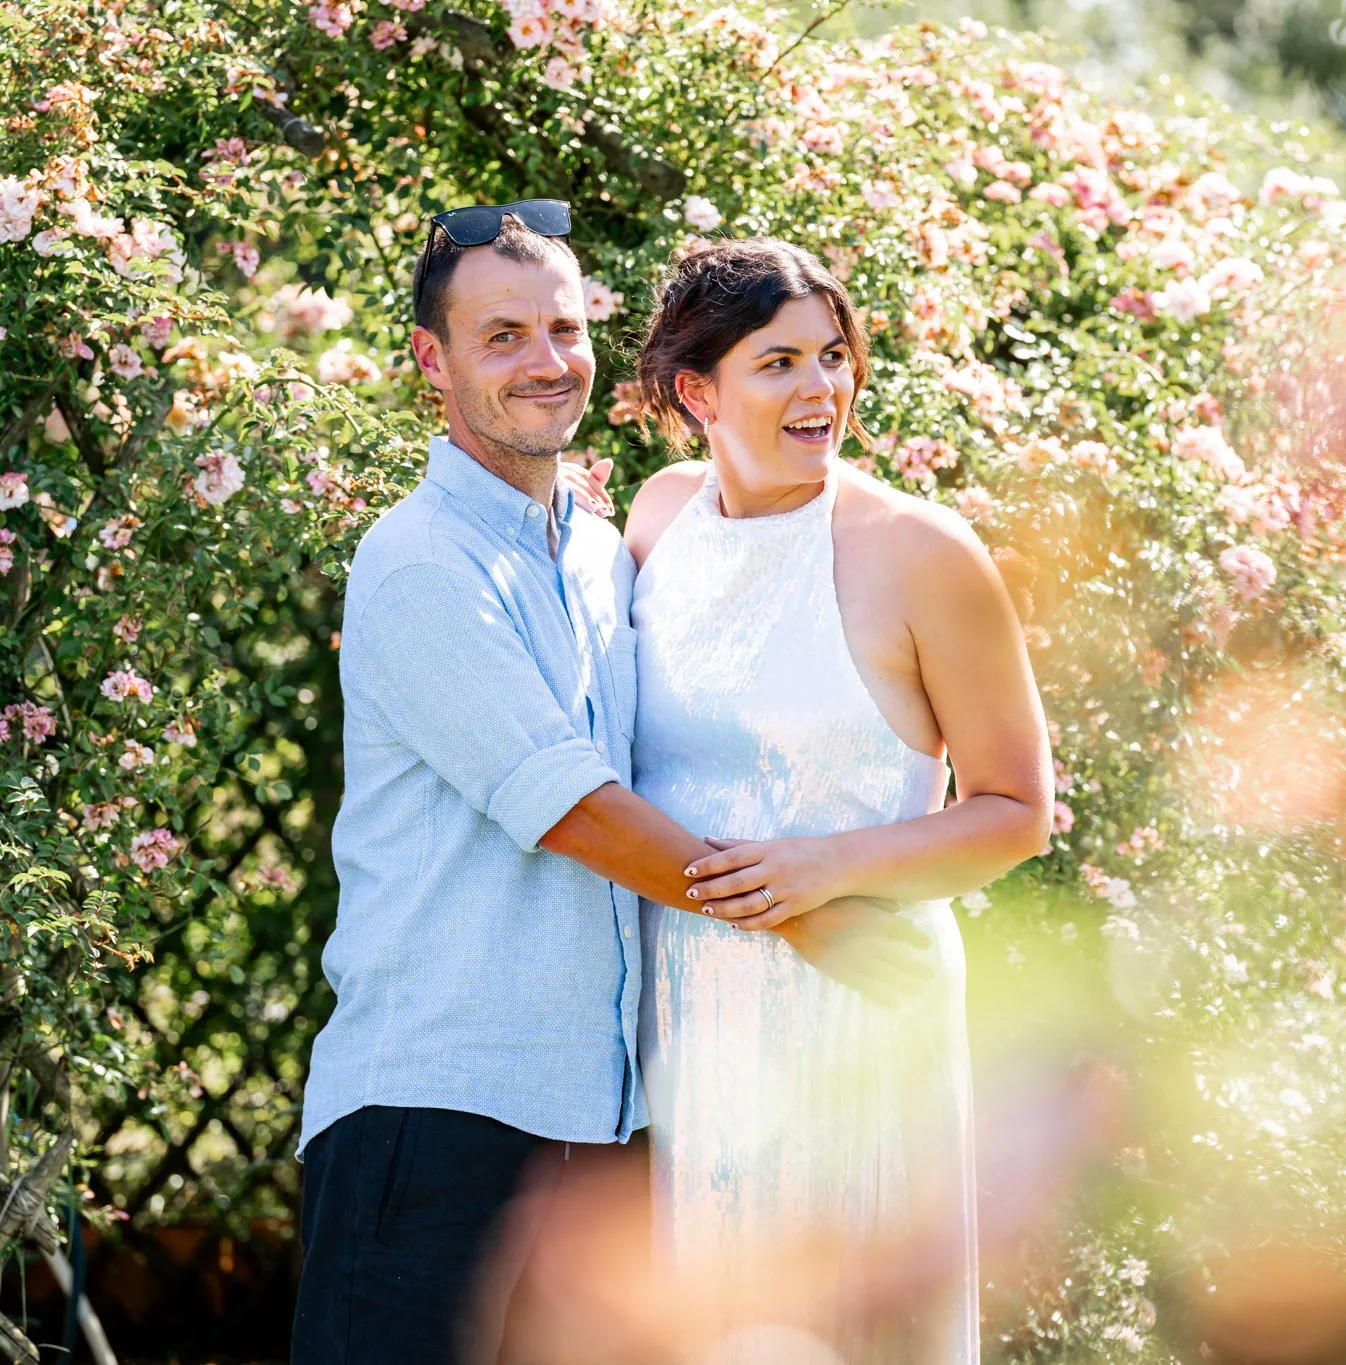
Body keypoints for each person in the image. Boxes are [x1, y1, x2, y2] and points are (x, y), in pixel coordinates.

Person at [292, 204, 925, 1365]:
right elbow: (576, 809)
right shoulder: (418, 562)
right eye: (503, 337)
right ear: (431, 360)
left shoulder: (599, 553)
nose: (546, 361)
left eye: (565, 329)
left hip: (606, 1123)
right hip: (434, 1115)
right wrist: (806, 919)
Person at [617, 238, 1053, 1359]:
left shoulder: (917, 551)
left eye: (832, 357)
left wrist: (827, 866)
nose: (820, 390)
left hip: (862, 998)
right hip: (692, 1010)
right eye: (778, 365)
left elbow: (1015, 810)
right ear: (694, 391)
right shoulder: (658, 523)